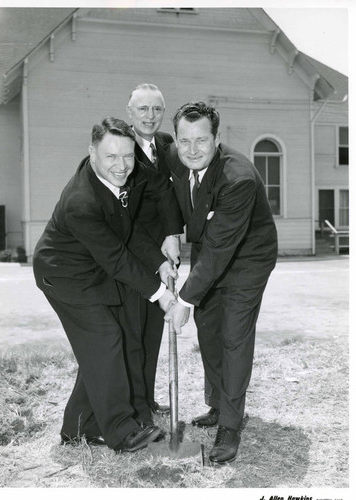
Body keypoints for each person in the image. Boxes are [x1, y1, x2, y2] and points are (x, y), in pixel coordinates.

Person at [33, 117, 179, 453]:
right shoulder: (82, 202)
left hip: (92, 266)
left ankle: (78, 427)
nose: (122, 165)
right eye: (111, 157)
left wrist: (158, 262)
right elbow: (117, 257)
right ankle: (120, 430)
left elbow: (128, 232)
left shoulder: (111, 179)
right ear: (92, 153)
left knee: (103, 345)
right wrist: (161, 296)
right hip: (64, 274)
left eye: (128, 156)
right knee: (107, 338)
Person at [165, 101, 278, 464]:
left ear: (217, 139)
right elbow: (161, 192)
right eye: (185, 141)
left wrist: (184, 300)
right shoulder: (176, 157)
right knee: (209, 329)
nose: (192, 150)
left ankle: (230, 425)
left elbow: (219, 249)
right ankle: (217, 404)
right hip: (210, 252)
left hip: (247, 259)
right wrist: (170, 232)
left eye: (202, 141)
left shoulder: (238, 177)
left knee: (233, 336)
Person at [126, 83, 182, 415]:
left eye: (157, 109)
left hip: (162, 253)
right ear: (129, 112)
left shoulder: (165, 144)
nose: (150, 116)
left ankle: (146, 399)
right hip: (133, 254)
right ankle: (133, 405)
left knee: (152, 332)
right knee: (133, 332)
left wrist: (173, 234)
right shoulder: (121, 147)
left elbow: (168, 195)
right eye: (143, 109)